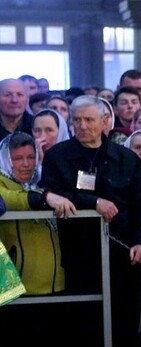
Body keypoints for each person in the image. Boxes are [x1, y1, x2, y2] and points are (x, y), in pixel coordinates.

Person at [39, 95, 141, 346]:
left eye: (89, 120)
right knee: (82, 325)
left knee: (123, 323)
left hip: (122, 255)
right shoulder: (57, 157)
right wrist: (92, 202)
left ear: (105, 121)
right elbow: (49, 193)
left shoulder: (126, 159)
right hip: (77, 255)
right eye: (77, 120)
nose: (82, 126)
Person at [0, 132, 76, 344]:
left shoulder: (42, 180)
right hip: (14, 287)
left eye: (31, 157)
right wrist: (45, 197)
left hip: (56, 284)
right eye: (17, 158)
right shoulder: (2, 182)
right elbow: (10, 200)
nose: (26, 164)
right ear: (6, 159)